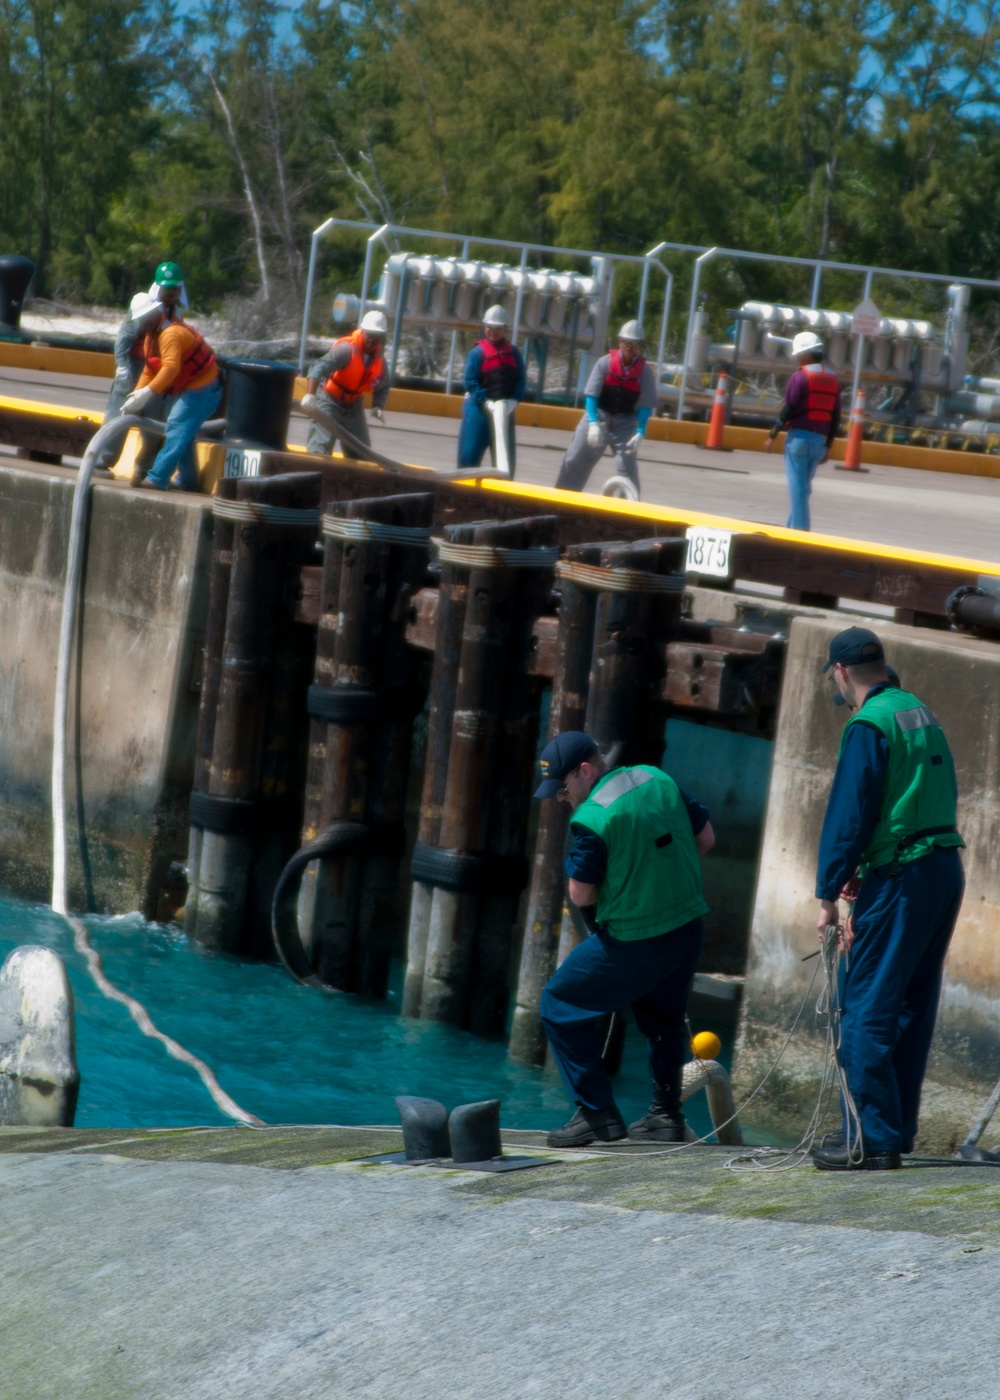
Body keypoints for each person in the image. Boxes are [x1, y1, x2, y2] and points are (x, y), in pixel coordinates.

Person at [811, 627, 965, 1172]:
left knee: (866, 1009)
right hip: (942, 868)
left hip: (902, 878)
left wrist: (829, 891)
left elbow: (849, 814)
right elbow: (911, 798)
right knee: (908, 1008)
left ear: (841, 672)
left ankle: (869, 1140)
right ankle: (892, 1130)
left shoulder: (868, 724)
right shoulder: (917, 711)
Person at [534, 731, 715, 1148]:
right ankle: (665, 1117)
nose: (562, 799)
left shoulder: (594, 817)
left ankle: (596, 1114)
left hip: (633, 940)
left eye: (562, 789)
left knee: (558, 1004)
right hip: (687, 929)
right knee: (663, 1025)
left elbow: (581, 893)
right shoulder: (657, 779)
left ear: (585, 771)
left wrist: (630, 885)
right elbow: (705, 839)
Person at [122, 306, 222, 492]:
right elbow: (149, 369)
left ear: (156, 315)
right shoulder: (151, 340)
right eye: (141, 320)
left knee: (176, 425)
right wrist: (135, 395)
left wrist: (148, 392)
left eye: (147, 318)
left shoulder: (170, 334)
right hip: (190, 387)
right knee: (183, 431)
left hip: (204, 387)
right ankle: (188, 480)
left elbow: (171, 368)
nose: (144, 323)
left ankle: (157, 478)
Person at [554, 320, 656, 497]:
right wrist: (593, 423)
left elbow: (646, 406)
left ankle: (627, 511)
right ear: (619, 342)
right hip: (598, 416)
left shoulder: (644, 373)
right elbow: (591, 396)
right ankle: (561, 501)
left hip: (625, 423)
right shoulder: (604, 363)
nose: (629, 347)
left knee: (627, 470)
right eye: (626, 342)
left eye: (634, 343)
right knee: (574, 459)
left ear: (640, 345)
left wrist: (640, 431)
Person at [762, 330, 842, 531]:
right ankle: (788, 530)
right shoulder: (833, 379)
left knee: (797, 492)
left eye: (798, 354)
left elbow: (788, 408)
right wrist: (828, 446)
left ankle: (800, 537)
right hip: (819, 442)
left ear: (806, 354)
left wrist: (772, 435)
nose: (797, 358)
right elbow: (837, 416)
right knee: (803, 491)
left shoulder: (801, 376)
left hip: (798, 439)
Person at [93, 291, 168, 473]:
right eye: (168, 288)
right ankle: (101, 462)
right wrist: (123, 366)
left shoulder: (172, 313)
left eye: (175, 288)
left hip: (156, 368)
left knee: (154, 420)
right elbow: (123, 339)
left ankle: (145, 467)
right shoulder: (141, 307)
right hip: (133, 368)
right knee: (119, 414)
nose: (172, 292)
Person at [301, 310, 390, 459]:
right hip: (329, 400)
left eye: (377, 337)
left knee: (361, 452)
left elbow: (383, 386)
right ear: (362, 331)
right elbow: (318, 367)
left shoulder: (381, 362)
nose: (372, 341)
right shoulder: (345, 350)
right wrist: (310, 395)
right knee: (319, 449)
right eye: (370, 335)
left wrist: (378, 406)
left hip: (353, 407)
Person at [457, 305, 526, 473]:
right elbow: (470, 380)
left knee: (505, 462)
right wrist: (485, 400)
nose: (492, 331)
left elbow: (521, 379)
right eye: (489, 327)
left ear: (505, 329)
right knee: (469, 457)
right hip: (479, 410)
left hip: (504, 410)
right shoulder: (477, 353)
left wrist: (514, 401)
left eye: (497, 328)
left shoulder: (514, 353)